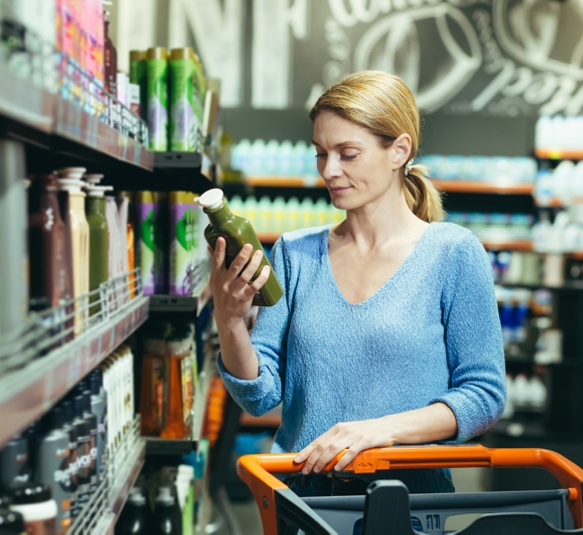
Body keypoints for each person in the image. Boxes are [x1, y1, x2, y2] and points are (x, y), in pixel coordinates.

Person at [210, 71, 506, 497]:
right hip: (305, 503)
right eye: (320, 154)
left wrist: (379, 432)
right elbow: (260, 396)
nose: (329, 170)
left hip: (408, 503)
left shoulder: (453, 253)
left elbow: (483, 394)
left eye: (347, 154)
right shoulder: (296, 254)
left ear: (398, 151)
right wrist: (231, 321)